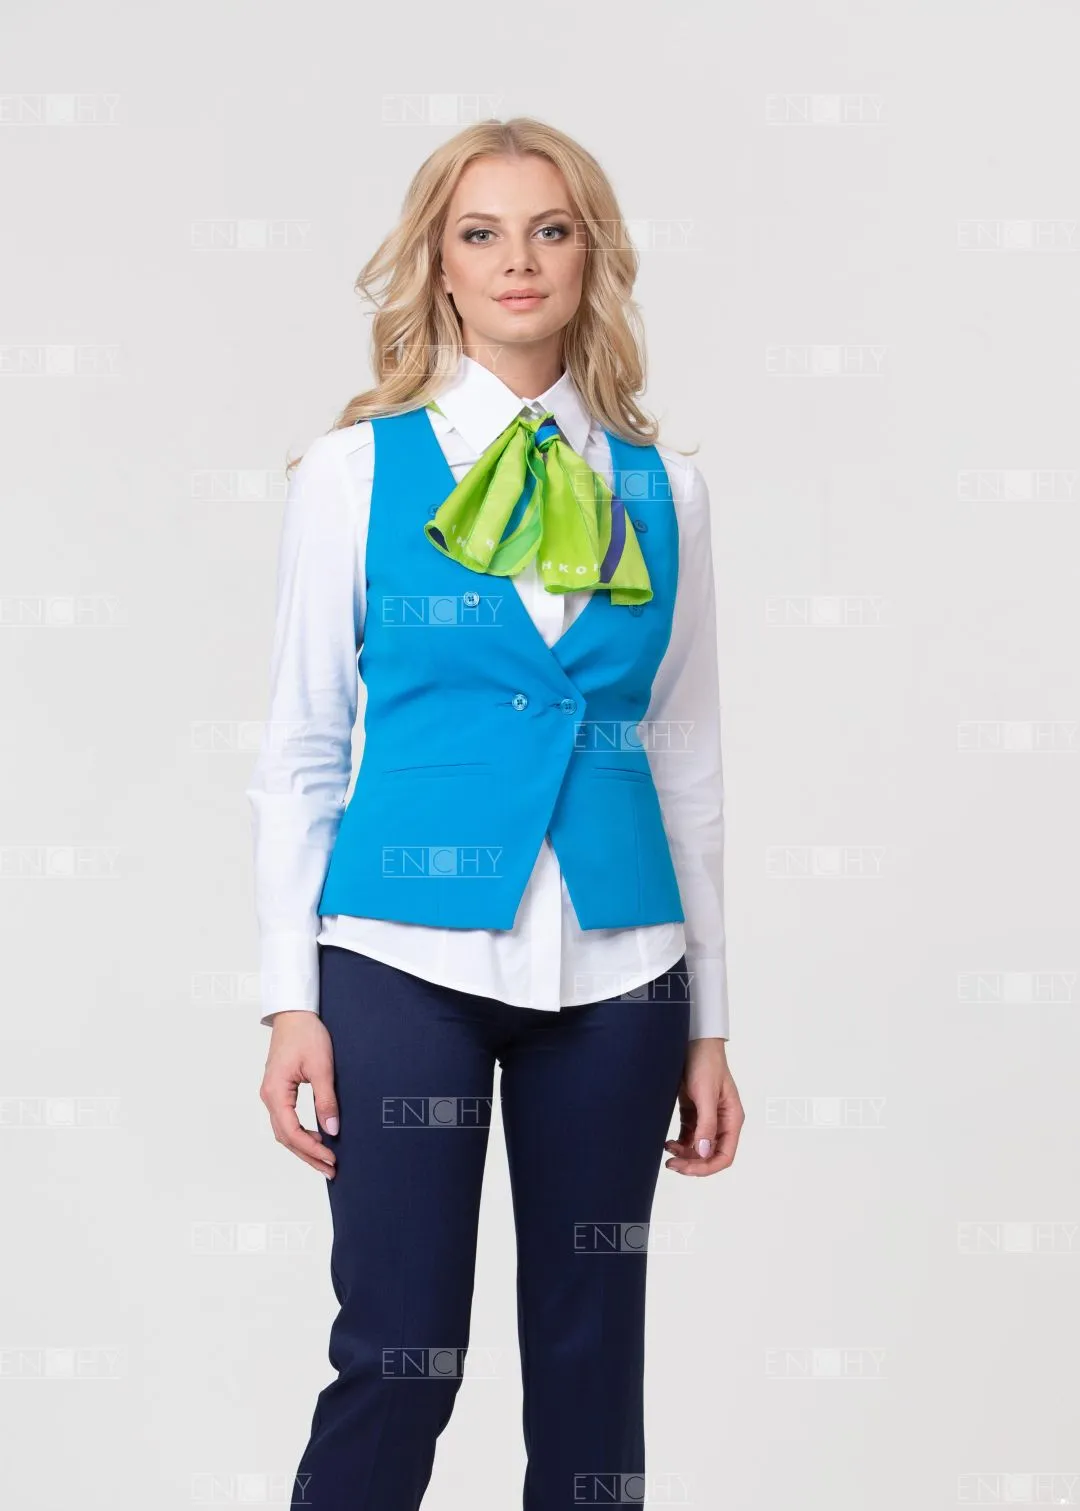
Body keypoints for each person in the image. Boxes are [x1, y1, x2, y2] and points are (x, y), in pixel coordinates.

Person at [246, 114, 745, 1511]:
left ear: (592, 258)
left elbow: (690, 762)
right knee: (400, 1351)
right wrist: (289, 997)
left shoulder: (668, 491)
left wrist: (709, 1020)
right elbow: (302, 749)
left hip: (624, 968)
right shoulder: (354, 474)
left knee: (594, 1368)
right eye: (481, 232)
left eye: (550, 229)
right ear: (440, 265)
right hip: (401, 957)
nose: (517, 259)